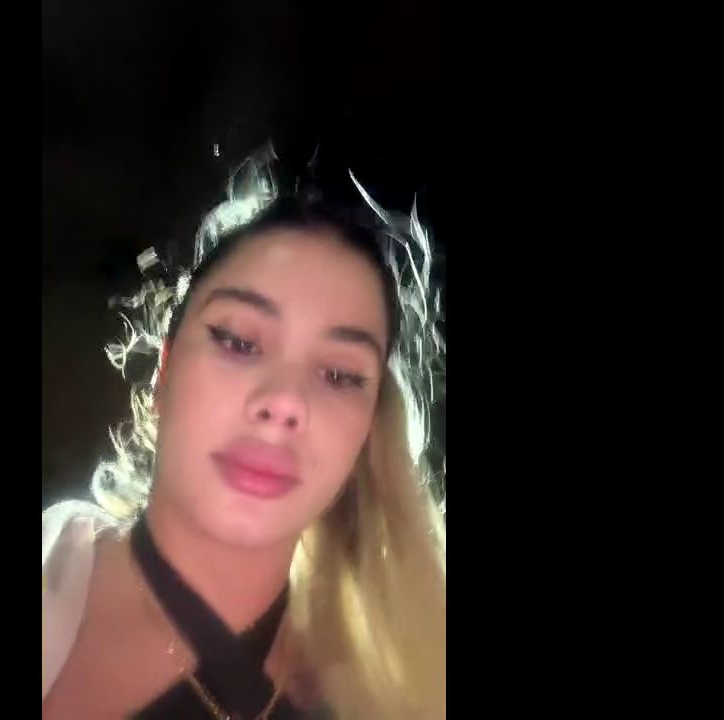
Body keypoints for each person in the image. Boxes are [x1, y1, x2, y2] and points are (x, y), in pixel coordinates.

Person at [42, 145, 446, 719]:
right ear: (164, 371)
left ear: (366, 432)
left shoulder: (400, 690)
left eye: (338, 375)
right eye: (238, 342)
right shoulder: (53, 578)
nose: (285, 402)